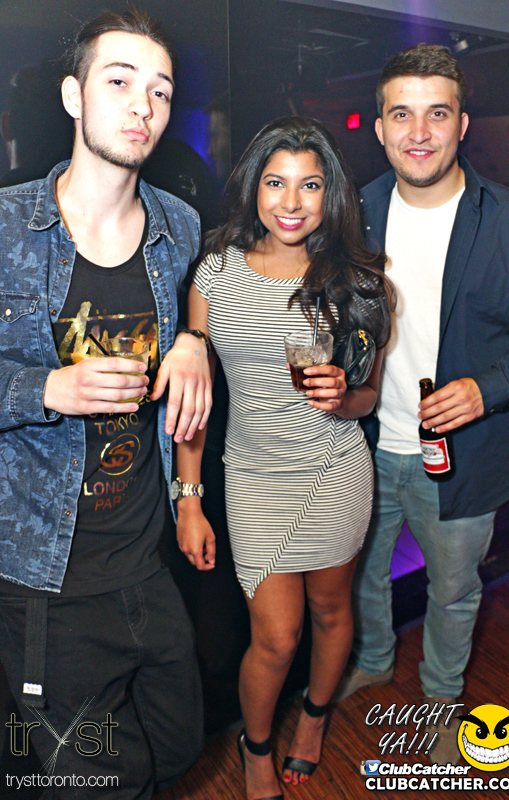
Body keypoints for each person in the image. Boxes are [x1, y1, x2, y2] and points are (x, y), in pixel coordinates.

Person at [0, 10, 212, 798]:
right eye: (119, 82)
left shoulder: (179, 226)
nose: (141, 106)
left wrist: (192, 338)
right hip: (44, 576)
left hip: (144, 558)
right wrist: (44, 388)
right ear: (73, 96)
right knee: (91, 781)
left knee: (178, 746)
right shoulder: (6, 225)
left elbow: (205, 308)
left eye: (159, 91)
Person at [177, 116, 393, 800]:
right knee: (275, 638)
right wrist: (189, 500)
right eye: (275, 183)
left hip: (333, 468)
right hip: (253, 476)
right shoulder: (213, 275)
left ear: (332, 194)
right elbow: (192, 399)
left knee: (330, 612)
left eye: (310, 185)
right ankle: (256, 744)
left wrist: (344, 397)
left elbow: (368, 399)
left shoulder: (357, 281)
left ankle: (316, 716)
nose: (291, 202)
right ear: (253, 187)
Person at [334, 44, 509, 765]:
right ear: (380, 128)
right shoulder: (353, 214)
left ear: (462, 125)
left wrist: (489, 387)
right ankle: (374, 660)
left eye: (437, 114)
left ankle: (442, 699)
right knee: (362, 574)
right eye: (401, 114)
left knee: (451, 591)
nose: (418, 132)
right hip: (361, 447)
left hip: (465, 455)